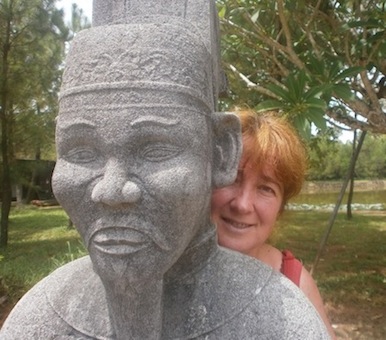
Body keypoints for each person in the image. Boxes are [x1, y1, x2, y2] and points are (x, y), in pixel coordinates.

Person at [1, 1, 330, 339]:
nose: (111, 190)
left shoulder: (284, 323)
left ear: (218, 156)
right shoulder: (37, 322)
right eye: (82, 152)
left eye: (155, 150)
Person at [211, 108, 336, 339]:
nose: (243, 205)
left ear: (280, 209)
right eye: (232, 178)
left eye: (266, 189)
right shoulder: (164, 269)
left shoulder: (295, 282)